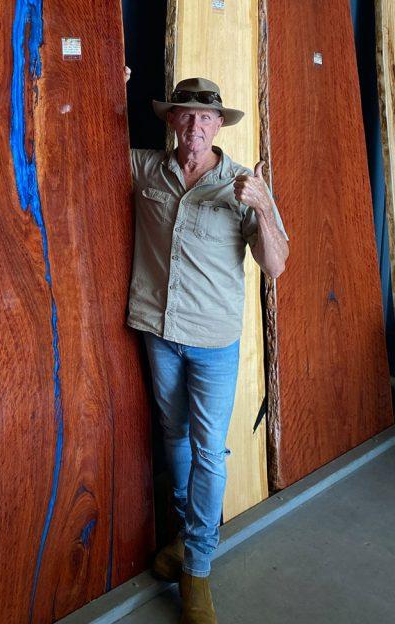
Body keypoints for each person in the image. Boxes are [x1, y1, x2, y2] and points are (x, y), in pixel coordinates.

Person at [126, 75, 289, 624]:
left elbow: (276, 263)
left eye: (206, 118)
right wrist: (100, 81)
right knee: (172, 439)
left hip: (213, 341)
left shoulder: (243, 182)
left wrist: (264, 207)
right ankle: (183, 539)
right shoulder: (146, 167)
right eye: (184, 115)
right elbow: (80, 145)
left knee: (208, 453)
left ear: (219, 125)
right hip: (157, 330)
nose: (195, 126)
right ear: (170, 120)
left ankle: (196, 568)